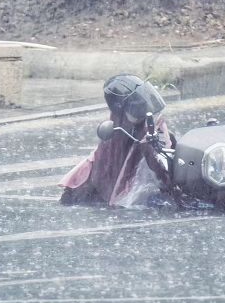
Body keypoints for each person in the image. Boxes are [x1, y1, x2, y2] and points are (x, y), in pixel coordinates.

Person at [59, 74, 174, 207]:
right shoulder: (115, 132)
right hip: (119, 198)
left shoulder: (154, 124)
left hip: (150, 187)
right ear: (121, 109)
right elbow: (102, 175)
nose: (141, 110)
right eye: (135, 107)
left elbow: (164, 162)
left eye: (143, 105)